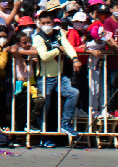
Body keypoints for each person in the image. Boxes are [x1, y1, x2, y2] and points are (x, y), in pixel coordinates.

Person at [31, 10, 81, 141]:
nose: (46, 25)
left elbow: (67, 46)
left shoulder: (58, 33)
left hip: (59, 75)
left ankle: (65, 123)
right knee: (44, 106)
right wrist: (58, 50)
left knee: (73, 93)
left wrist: (75, 58)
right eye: (43, 23)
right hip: (44, 77)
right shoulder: (38, 37)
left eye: (49, 22)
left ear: (53, 22)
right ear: (39, 23)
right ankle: (44, 137)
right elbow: (44, 56)